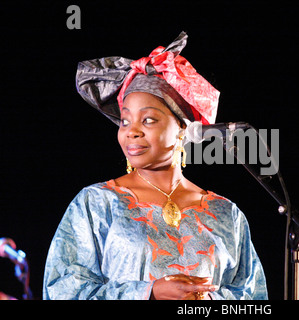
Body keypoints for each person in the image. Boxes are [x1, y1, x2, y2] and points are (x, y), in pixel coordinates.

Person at [43, 32, 268, 300]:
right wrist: (149, 293)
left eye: (148, 120)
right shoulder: (96, 203)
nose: (131, 131)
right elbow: (62, 291)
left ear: (182, 128)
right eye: (125, 121)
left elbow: (253, 298)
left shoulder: (226, 214)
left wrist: (206, 301)